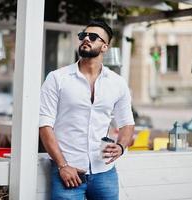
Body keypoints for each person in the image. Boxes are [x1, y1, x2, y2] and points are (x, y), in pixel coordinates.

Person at [39, 19, 135, 200]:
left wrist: (121, 147)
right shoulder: (57, 78)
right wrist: (62, 166)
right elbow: (45, 125)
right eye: (84, 35)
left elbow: (127, 123)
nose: (86, 39)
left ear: (105, 46)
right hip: (68, 172)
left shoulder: (117, 83)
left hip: (105, 172)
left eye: (93, 37)